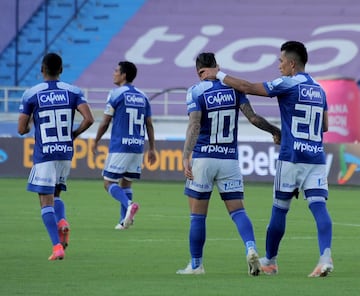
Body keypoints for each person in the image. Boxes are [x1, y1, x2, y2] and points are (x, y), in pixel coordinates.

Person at [202, 41, 333, 277]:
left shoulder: (287, 83)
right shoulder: (320, 90)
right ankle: (325, 257)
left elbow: (247, 86)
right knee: (319, 207)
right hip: (315, 157)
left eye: (281, 61)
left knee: (280, 209)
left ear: (292, 64)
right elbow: (324, 126)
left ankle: (271, 261)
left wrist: (217, 74)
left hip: (291, 157)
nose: (279, 66)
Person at [176, 52, 281, 276]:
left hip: (204, 158)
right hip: (229, 159)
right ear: (217, 67)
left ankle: (196, 265)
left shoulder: (195, 91)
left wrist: (186, 156)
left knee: (197, 216)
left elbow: (194, 125)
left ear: (198, 71)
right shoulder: (234, 89)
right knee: (238, 211)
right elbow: (253, 118)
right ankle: (251, 248)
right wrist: (274, 130)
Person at [18, 53, 94, 260]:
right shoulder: (73, 91)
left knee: (45, 202)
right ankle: (62, 222)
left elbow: (21, 129)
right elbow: (89, 119)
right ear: (61, 70)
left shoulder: (32, 94)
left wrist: (34, 120)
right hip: (65, 153)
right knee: (56, 195)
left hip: (45, 154)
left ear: (42, 69)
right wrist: (74, 135)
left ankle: (56, 247)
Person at [92, 61, 156, 230]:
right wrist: (152, 148)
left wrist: (96, 139)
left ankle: (129, 204)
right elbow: (149, 124)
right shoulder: (143, 96)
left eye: (116, 71)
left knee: (108, 183)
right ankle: (124, 221)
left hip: (120, 146)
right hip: (137, 146)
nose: (113, 73)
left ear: (124, 75)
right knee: (126, 183)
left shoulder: (115, 94)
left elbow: (105, 121)